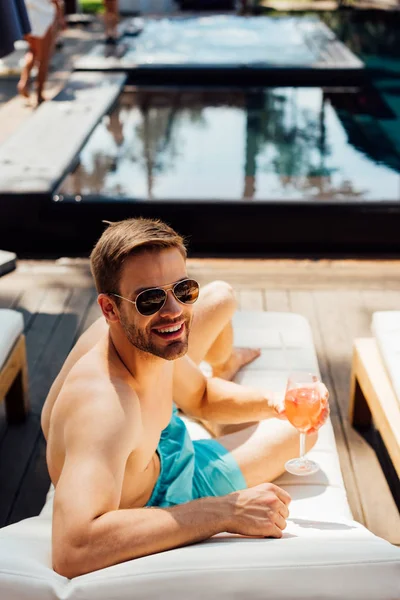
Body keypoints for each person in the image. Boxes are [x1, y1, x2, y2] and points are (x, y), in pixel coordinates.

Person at [41, 217, 329, 579]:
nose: (174, 310)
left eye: (184, 289)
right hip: (157, 501)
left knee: (297, 423)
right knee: (298, 438)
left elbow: (202, 395)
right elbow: (72, 550)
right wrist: (226, 511)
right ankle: (222, 378)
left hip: (163, 446)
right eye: (149, 300)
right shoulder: (105, 406)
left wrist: (277, 403)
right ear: (110, 309)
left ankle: (224, 366)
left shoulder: (149, 344)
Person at [17, 0, 65, 105]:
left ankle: (24, 82)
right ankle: (39, 94)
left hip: (28, 17)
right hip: (43, 19)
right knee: (44, 58)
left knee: (33, 51)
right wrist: (61, 17)